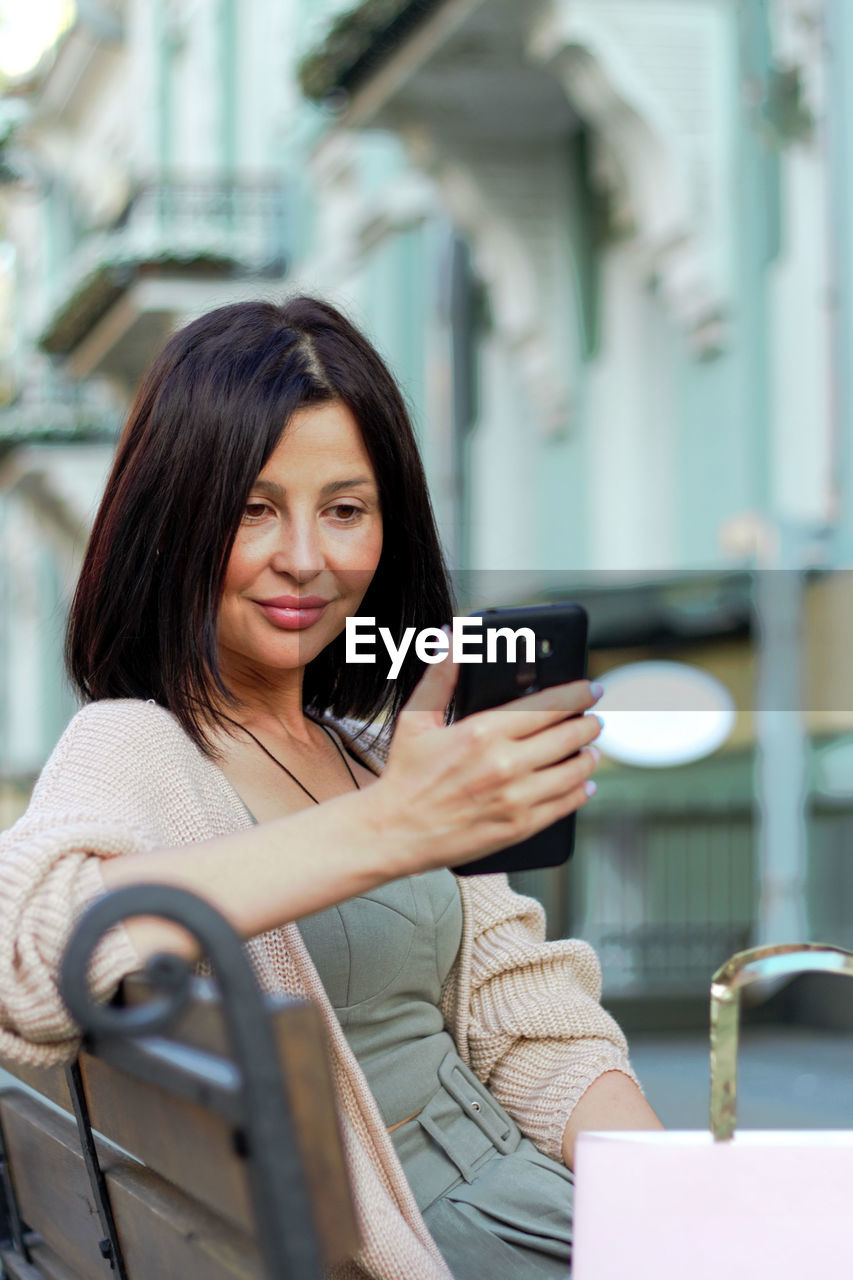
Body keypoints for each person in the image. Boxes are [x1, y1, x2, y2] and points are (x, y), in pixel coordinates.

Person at [0, 296, 661, 1279]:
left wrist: (674, 1192)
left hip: (533, 1202)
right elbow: (24, 957)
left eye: (345, 510)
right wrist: (392, 827)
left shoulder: (373, 749)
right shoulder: (135, 742)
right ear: (173, 521)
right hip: (414, 1239)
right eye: (253, 509)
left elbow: (531, 1024)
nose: (305, 558)